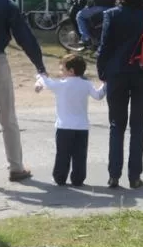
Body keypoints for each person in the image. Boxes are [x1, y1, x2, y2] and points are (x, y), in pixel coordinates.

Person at [96, 0, 143, 189]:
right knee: (138, 126)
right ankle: (135, 176)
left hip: (117, 74)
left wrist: (102, 72)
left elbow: (104, 47)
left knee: (116, 125)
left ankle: (113, 175)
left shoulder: (112, 15)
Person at [0, 0, 47, 187]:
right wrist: (39, 65)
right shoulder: (5, 4)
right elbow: (25, 37)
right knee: (8, 118)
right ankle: (16, 167)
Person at [34, 54, 106, 186]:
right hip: (82, 127)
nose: (61, 72)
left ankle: (60, 178)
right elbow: (98, 95)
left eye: (63, 70)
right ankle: (78, 179)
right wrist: (106, 84)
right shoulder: (87, 84)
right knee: (80, 155)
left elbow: (46, 82)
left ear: (71, 71)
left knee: (63, 154)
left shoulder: (61, 85)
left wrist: (40, 76)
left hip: (64, 127)